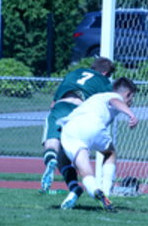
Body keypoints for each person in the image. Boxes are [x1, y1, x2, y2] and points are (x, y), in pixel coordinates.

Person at [41, 57, 115, 207]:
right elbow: (109, 103)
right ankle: (78, 188)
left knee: (53, 145)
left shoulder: (75, 73)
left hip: (61, 106)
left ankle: (50, 159)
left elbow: (53, 103)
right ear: (105, 73)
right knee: (72, 155)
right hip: (79, 115)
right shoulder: (104, 82)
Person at [59, 76, 139, 211]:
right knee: (110, 153)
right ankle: (106, 192)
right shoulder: (112, 96)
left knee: (84, 167)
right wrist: (131, 115)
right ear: (128, 94)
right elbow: (115, 101)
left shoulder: (97, 97)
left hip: (70, 128)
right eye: (132, 97)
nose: (132, 101)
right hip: (91, 123)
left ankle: (95, 190)